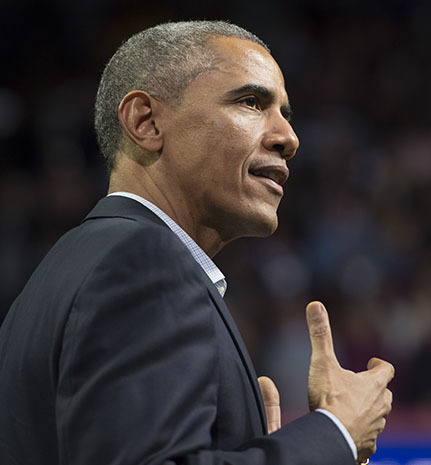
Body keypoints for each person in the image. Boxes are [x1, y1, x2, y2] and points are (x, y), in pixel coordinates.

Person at [0, 21, 394, 465]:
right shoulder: (143, 264)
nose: (289, 138)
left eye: (285, 113)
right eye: (251, 102)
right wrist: (335, 435)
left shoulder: (67, 268)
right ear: (145, 122)